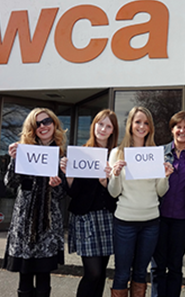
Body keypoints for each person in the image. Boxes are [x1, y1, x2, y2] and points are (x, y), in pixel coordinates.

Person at [108, 106, 174, 297]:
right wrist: (116, 174)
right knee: (121, 273)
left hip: (150, 222)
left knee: (140, 273)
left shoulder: (156, 153)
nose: (141, 126)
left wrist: (165, 177)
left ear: (150, 127)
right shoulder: (117, 153)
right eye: (138, 122)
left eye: (146, 123)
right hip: (125, 222)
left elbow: (160, 192)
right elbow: (113, 193)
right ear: (130, 124)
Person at [3, 108, 67, 297]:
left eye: (46, 121)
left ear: (54, 123)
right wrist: (13, 160)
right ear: (32, 128)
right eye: (37, 123)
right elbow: (10, 184)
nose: (43, 126)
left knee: (43, 276)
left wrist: (56, 185)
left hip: (47, 221)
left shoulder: (61, 154)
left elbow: (63, 194)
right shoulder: (22, 149)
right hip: (25, 221)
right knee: (25, 276)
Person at [59, 109, 119, 297]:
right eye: (100, 124)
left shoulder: (116, 155)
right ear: (94, 126)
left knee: (101, 273)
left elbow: (119, 194)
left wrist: (106, 183)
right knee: (93, 272)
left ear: (112, 131)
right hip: (85, 218)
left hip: (108, 217)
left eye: (108, 126)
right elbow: (73, 192)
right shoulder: (80, 153)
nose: (103, 129)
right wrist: (69, 177)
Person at [151, 111, 185, 297]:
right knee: (157, 265)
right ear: (172, 129)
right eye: (178, 126)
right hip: (159, 217)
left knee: (175, 266)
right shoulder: (159, 153)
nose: (182, 130)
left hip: (183, 219)